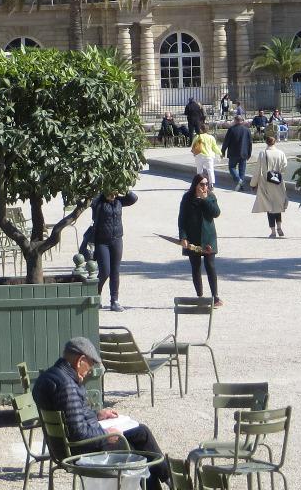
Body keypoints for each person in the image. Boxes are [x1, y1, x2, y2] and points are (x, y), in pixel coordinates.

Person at [32, 337, 168, 489]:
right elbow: (79, 433)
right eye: (90, 365)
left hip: (61, 447)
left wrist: (98, 415)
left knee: (141, 431)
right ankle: (170, 478)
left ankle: (168, 477)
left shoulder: (50, 376)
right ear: (80, 361)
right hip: (77, 450)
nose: (90, 371)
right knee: (139, 453)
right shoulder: (67, 386)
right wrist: (105, 434)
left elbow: (71, 417)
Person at [89, 187, 138, 311]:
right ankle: (96, 294)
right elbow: (92, 202)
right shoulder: (99, 203)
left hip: (117, 240)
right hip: (102, 241)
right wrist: (103, 192)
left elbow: (133, 198)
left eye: (114, 192)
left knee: (115, 271)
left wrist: (123, 187)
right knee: (105, 271)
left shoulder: (119, 201)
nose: (112, 195)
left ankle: (114, 300)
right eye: (109, 192)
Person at [177, 173, 222, 306]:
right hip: (193, 238)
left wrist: (205, 200)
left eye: (206, 184)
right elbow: (182, 219)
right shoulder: (187, 198)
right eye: (202, 184)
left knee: (210, 266)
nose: (205, 187)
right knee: (196, 268)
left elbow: (216, 213)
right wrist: (183, 237)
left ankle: (215, 297)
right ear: (195, 185)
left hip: (208, 238)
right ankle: (200, 297)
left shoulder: (211, 196)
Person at [250, 128, 289, 238]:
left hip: (266, 183)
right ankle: (279, 227)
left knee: (269, 207)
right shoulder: (281, 153)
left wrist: (253, 184)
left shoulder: (263, 153)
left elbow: (258, 170)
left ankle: (272, 231)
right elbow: (284, 167)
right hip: (278, 182)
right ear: (275, 141)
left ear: (266, 142)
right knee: (278, 205)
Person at [222, 114, 253, 191]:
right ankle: (241, 185)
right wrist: (249, 153)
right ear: (242, 121)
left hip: (233, 153)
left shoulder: (231, 129)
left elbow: (226, 142)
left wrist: (223, 151)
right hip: (244, 153)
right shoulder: (247, 130)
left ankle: (238, 180)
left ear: (235, 121)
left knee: (231, 167)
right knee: (242, 170)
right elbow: (250, 143)